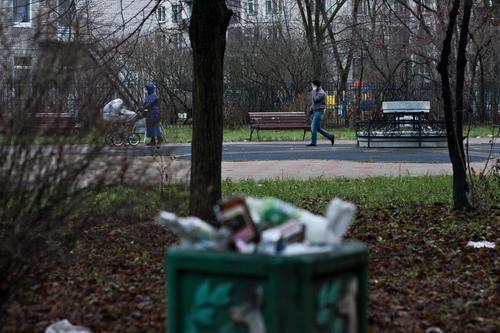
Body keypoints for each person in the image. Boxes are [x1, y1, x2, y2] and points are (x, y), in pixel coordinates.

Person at [307, 79, 334, 147]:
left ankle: (313, 142)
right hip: (315, 112)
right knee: (318, 128)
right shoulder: (317, 92)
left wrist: (313, 91)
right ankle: (330, 136)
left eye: (312, 84)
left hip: (319, 113)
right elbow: (313, 103)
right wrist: (311, 109)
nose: (311, 86)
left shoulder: (321, 93)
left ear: (315, 85)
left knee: (313, 127)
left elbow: (315, 100)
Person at [142, 82, 162, 146]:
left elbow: (148, 104)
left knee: (155, 126)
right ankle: (153, 140)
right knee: (150, 127)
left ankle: (159, 138)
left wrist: (143, 107)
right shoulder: (148, 96)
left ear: (149, 89)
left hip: (154, 114)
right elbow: (144, 103)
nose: (145, 90)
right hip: (150, 113)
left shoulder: (154, 96)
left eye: (146, 89)